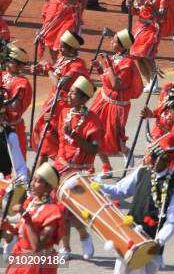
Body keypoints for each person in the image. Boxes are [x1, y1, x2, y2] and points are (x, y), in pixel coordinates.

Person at [100, 127, 174, 274]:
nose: (148, 159)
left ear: (164, 159)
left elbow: (172, 221)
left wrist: (159, 241)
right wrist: (96, 186)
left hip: (151, 242)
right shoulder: (142, 171)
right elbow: (119, 191)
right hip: (130, 235)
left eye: (153, 156)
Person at [54, 76, 101, 260]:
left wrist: (75, 136)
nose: (69, 95)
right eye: (71, 91)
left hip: (79, 172)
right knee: (61, 212)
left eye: (74, 93)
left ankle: (83, 234)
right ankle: (65, 248)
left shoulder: (93, 121)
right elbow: (59, 139)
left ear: (83, 98)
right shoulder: (64, 112)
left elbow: (94, 148)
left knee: (71, 213)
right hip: (60, 168)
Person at [30, 30, 90, 166]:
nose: (59, 48)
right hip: (52, 104)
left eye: (62, 46)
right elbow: (54, 74)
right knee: (45, 142)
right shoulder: (63, 59)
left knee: (53, 141)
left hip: (63, 109)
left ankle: (63, 167)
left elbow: (59, 84)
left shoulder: (77, 66)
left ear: (72, 49)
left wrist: (48, 69)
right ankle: (42, 176)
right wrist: (39, 70)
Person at [90, 29, 143, 178]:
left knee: (114, 138)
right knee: (95, 133)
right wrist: (99, 68)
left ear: (122, 46)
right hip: (102, 101)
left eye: (114, 42)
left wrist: (107, 64)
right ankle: (106, 167)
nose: (111, 43)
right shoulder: (116, 58)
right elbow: (106, 80)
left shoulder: (128, 64)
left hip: (117, 106)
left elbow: (115, 84)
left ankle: (125, 150)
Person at [2, 163, 64, 274]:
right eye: (33, 180)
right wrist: (5, 231)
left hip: (39, 265)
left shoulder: (53, 211)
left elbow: (37, 247)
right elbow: (15, 238)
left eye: (38, 181)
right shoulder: (29, 203)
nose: (32, 184)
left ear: (49, 187)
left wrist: (25, 216)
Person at [128, 0, 171, 92]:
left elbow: (161, 15)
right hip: (140, 26)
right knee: (137, 56)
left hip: (153, 27)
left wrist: (146, 3)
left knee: (146, 54)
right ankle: (149, 82)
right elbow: (136, 12)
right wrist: (131, 6)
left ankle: (154, 81)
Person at [140, 64, 174, 139]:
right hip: (156, 134)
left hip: (173, 140)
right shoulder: (167, 87)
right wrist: (150, 114)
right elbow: (160, 111)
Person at [1, 44, 32, 158]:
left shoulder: (22, 83)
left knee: (19, 163)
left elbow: (14, 108)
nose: (6, 62)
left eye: (10, 60)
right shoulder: (3, 74)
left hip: (12, 127)